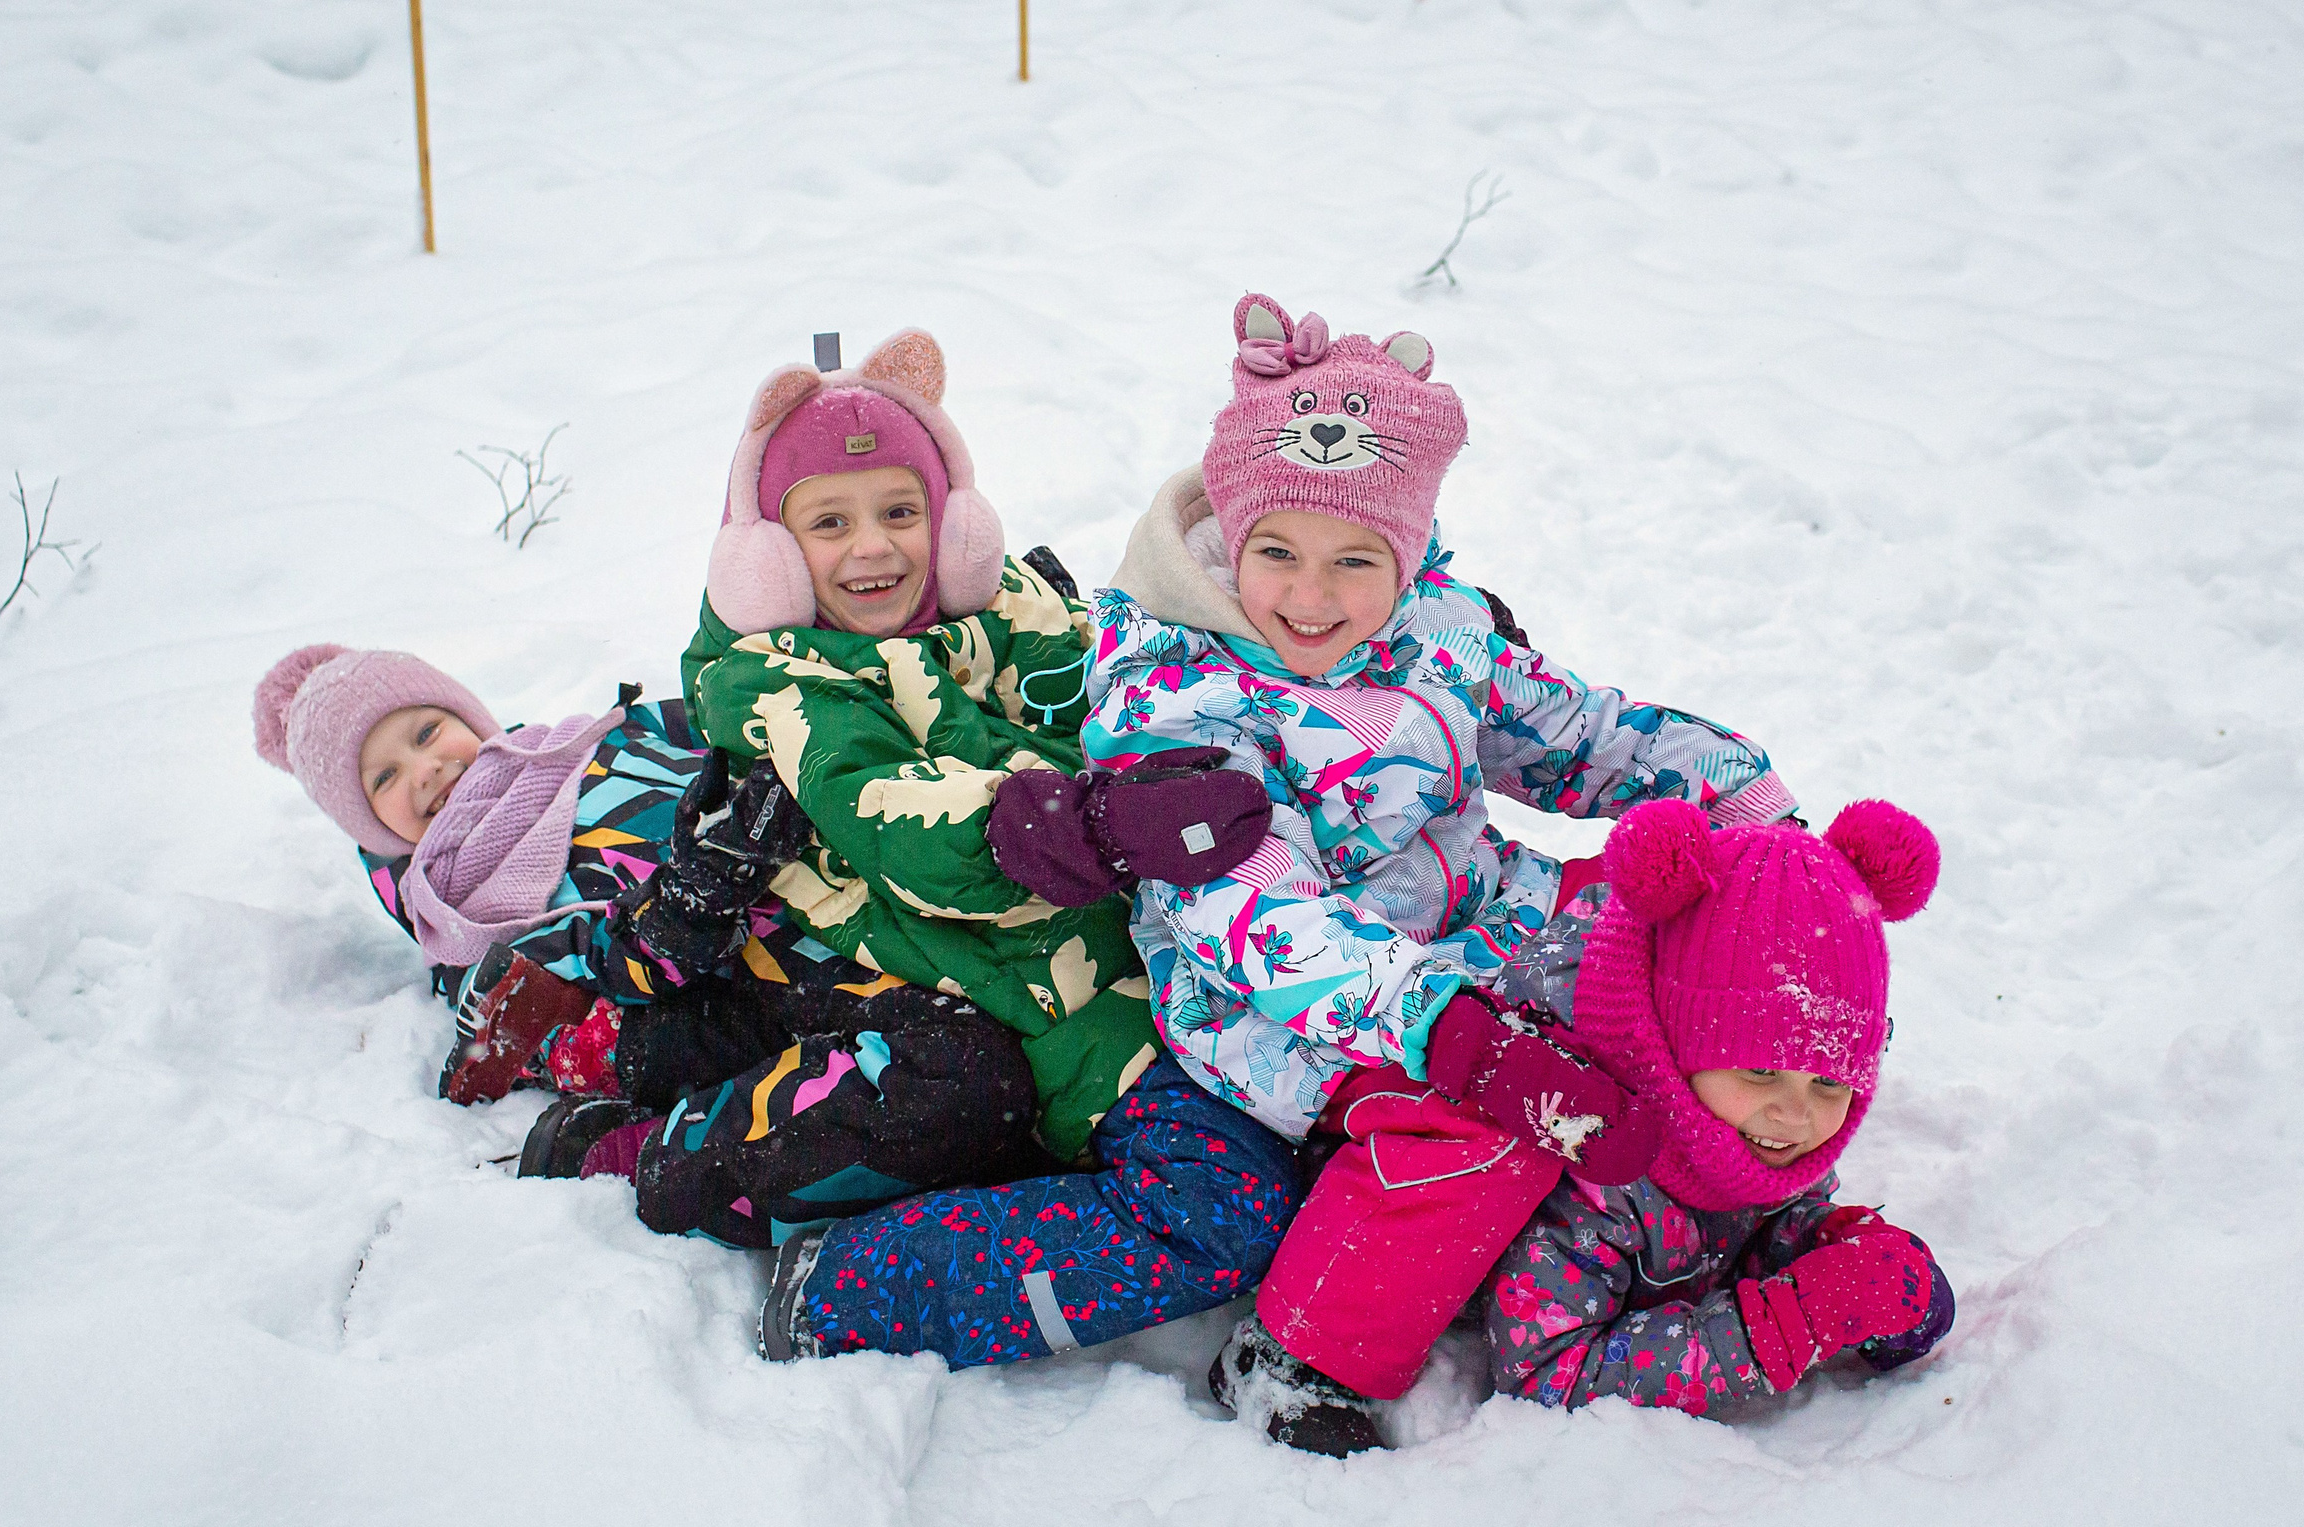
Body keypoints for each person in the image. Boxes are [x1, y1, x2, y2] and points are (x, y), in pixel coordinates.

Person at [1080, 294, 1799, 1452]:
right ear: (1231, 538)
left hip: (1475, 924)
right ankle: (1301, 1352)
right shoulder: (1182, 701)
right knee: (1465, 1126)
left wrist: (1747, 810)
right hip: (1287, 1000)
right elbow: (1255, 917)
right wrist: (1446, 1027)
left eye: (1354, 561)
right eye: (1277, 555)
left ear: (1406, 555)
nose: (1311, 598)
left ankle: (1709, 1193)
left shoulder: (1439, 634)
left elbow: (1581, 737)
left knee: (1679, 933)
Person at [682, 328, 1300, 1366]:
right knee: (1226, 1206)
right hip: (1040, 983)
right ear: (773, 557)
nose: (874, 547)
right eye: (829, 522)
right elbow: (900, 818)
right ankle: (850, 1290)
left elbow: (1144, 682)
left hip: (1193, 943)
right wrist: (1092, 822)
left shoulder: (1012, 607)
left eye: (900, 512)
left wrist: (1381, 664)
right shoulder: (788, 688)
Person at [250, 644, 1045, 1246]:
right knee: (967, 1079)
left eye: (427, 731)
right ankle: (662, 1157)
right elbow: (588, 979)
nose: (424, 769)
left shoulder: (607, 736)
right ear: (368, 825)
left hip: (851, 889)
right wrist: (695, 893)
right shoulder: (462, 912)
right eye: (383, 777)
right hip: (760, 993)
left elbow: (737, 724)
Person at [1485, 797, 1955, 1416]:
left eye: (1830, 1083)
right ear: (1673, 1049)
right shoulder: (1592, 1161)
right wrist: (1780, 1327)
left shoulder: (1762, 1133)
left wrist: (1835, 1252)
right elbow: (1543, 1372)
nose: (1795, 1115)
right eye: (1761, 1072)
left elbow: (1759, 1226)